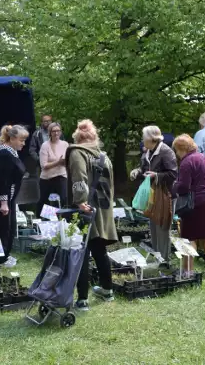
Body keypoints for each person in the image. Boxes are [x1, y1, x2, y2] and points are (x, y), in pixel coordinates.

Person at [69, 120, 117, 311]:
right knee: (99, 250)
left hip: (86, 208)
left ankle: (82, 299)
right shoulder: (104, 156)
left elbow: (79, 177)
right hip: (103, 209)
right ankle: (107, 290)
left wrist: (80, 201)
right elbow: (111, 185)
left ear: (77, 138)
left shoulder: (77, 152)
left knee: (82, 253)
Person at [171, 134, 205, 275]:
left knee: (189, 236)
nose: (176, 154)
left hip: (196, 202)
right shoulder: (202, 157)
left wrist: (173, 186)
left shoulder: (187, 162)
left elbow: (184, 187)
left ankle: (187, 271)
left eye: (176, 150)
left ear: (181, 149)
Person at [130, 126, 177, 264]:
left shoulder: (166, 152)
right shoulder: (148, 151)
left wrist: (156, 175)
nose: (142, 140)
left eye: (144, 138)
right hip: (152, 194)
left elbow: (173, 174)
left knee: (163, 227)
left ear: (152, 139)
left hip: (165, 195)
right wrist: (137, 172)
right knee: (153, 226)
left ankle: (164, 260)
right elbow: (145, 169)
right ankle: (157, 257)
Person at [0, 125, 28, 268]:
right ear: (13, 138)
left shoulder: (10, 152)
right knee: (4, 226)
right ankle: (0, 259)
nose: (23, 143)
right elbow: (3, 181)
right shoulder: (5, 155)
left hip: (7, 196)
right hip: (1, 195)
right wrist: (4, 203)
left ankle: (4, 255)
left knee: (8, 225)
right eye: (21, 140)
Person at [37, 122, 69, 216]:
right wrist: (58, 162)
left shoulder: (65, 144)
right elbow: (43, 165)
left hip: (61, 175)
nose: (56, 133)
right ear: (49, 133)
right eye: (53, 131)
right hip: (47, 178)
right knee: (45, 201)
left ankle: (66, 221)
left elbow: (68, 160)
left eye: (58, 131)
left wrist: (65, 162)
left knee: (64, 199)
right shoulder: (45, 145)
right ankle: (46, 222)